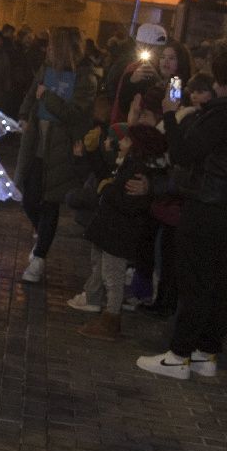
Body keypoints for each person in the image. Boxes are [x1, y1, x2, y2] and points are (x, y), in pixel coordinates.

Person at [136, 49, 227, 381]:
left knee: (195, 280)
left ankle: (179, 353)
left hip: (206, 204)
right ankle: (206, 351)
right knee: (216, 281)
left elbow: (184, 153)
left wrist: (170, 116)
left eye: (217, 79)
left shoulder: (221, 115)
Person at [16, 26, 95, 283]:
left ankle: (39, 259)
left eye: (52, 45)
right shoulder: (46, 69)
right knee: (29, 198)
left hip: (60, 150)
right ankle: (42, 234)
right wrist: (24, 114)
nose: (48, 49)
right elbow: (32, 92)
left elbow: (76, 114)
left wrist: (47, 98)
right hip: (36, 144)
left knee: (50, 202)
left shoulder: (85, 78)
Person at [76, 122, 167, 340]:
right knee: (109, 273)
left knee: (113, 277)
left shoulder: (137, 171)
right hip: (114, 229)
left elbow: (129, 202)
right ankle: (108, 316)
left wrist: (107, 189)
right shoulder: (131, 164)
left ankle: (111, 319)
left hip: (120, 232)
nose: (121, 143)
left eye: (126, 140)